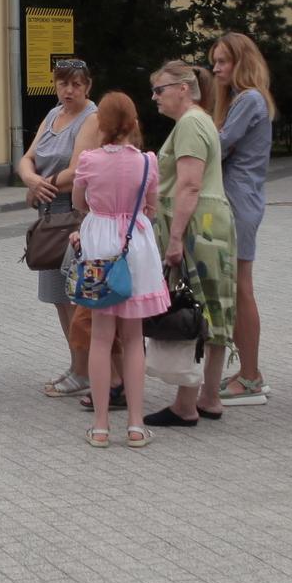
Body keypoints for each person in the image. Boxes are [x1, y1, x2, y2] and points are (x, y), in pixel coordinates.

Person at [69, 92, 169, 448]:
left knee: (100, 336)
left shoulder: (89, 160)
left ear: (103, 125)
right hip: (135, 247)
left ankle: (99, 426)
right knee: (132, 338)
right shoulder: (147, 162)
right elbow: (152, 204)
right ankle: (136, 424)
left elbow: (79, 201)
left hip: (99, 245)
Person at [142, 62, 238, 429]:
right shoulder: (199, 122)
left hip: (200, 225)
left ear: (183, 88)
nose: (155, 97)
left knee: (191, 306)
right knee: (212, 309)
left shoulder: (190, 124)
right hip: (210, 222)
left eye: (159, 89)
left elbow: (189, 185)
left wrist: (177, 238)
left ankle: (187, 404)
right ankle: (208, 396)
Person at [21, 58, 98, 398]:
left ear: (88, 86)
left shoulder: (91, 118)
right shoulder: (53, 115)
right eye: (63, 83)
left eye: (76, 84)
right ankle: (75, 364)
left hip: (73, 214)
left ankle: (86, 370)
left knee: (74, 297)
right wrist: (31, 180)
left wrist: (42, 184)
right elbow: (27, 157)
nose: (69, 90)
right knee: (58, 298)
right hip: (49, 214)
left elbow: (78, 169)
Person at [211, 33, 277, 407]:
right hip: (240, 198)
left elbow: (218, 145)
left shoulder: (249, 99)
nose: (216, 68)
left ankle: (251, 376)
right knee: (238, 287)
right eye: (215, 61)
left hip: (238, 201)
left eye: (223, 61)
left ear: (242, 62)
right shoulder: (243, 100)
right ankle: (247, 372)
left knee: (240, 287)